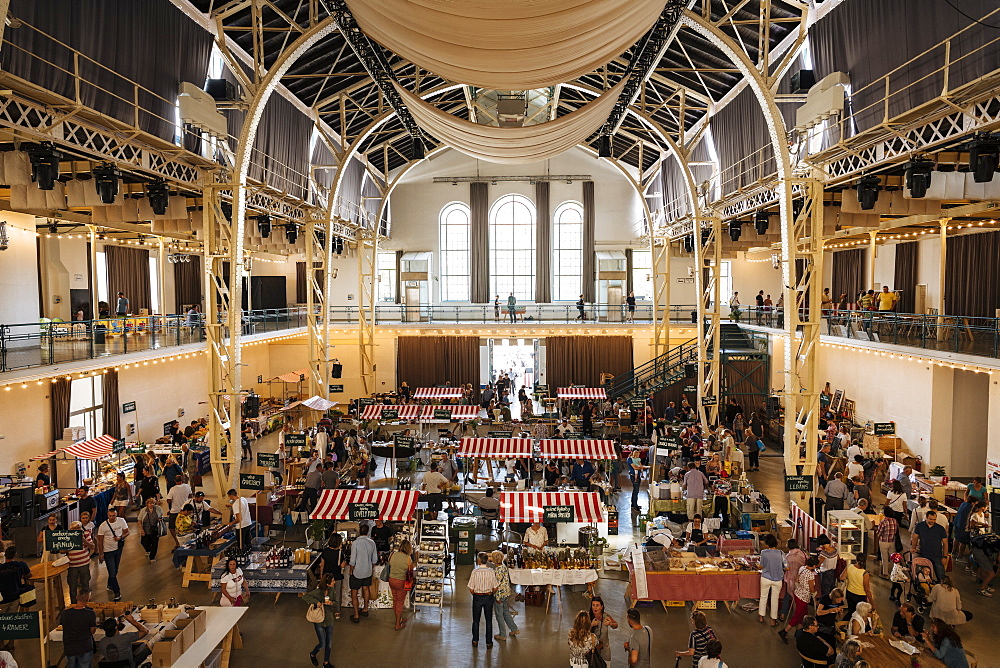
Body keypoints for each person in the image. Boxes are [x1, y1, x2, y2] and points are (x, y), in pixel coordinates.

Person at [778, 555, 819, 643]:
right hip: (804, 597)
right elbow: (812, 589)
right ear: (814, 566)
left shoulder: (802, 568)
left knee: (804, 615)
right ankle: (784, 631)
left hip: (797, 594)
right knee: (797, 616)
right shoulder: (810, 574)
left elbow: (797, 580)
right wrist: (815, 596)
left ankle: (799, 632)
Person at [302, 574, 336, 668]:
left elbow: (336, 603)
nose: (334, 582)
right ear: (328, 584)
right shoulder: (317, 592)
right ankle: (313, 654)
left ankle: (326, 662)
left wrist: (331, 603)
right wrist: (316, 603)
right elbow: (305, 597)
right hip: (319, 620)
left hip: (329, 620)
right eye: (333, 581)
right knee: (322, 644)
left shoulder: (332, 591)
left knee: (329, 644)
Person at [97, 506, 129, 601]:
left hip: (118, 549)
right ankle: (117, 592)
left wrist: (121, 537)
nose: (112, 518)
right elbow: (100, 540)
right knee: (112, 572)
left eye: (114, 516)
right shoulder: (103, 526)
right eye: (110, 516)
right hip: (108, 551)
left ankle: (110, 584)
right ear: (107, 515)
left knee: (115, 570)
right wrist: (101, 553)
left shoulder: (121, 521)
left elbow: (127, 532)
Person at [59, 588, 97, 668]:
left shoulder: (65, 613)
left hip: (69, 648)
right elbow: (92, 631)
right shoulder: (90, 613)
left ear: (76, 597)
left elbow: (63, 626)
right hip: (85, 647)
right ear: (88, 599)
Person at [468, 551, 499, 648]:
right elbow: (495, 587)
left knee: (476, 620)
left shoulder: (475, 572)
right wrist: (490, 593)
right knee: (489, 620)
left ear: (479, 561)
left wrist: (476, 593)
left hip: (477, 597)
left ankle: (475, 641)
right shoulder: (491, 571)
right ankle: (489, 642)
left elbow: (471, 588)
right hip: (489, 597)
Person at [349, 523, 378, 623]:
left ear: (359, 531)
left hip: (357, 571)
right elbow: (374, 560)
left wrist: (351, 570)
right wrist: (370, 567)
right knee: (366, 589)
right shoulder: (372, 543)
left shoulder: (355, 543)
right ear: (368, 531)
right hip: (368, 571)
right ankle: (365, 609)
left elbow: (352, 560)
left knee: (354, 592)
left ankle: (356, 615)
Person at [489, 551, 519, 642]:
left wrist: (496, 597)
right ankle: (514, 629)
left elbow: (496, 584)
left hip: (499, 595)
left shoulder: (496, 570)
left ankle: (502, 634)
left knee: (499, 615)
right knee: (506, 611)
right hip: (506, 593)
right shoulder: (503, 566)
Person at [913, 510, 950, 581]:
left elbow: (945, 543)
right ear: (926, 517)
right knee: (922, 575)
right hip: (923, 554)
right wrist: (913, 548)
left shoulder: (940, 529)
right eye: (930, 519)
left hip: (937, 555)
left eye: (934, 519)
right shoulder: (920, 526)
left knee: (941, 575)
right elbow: (915, 537)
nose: (933, 521)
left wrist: (945, 556)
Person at [386, 539, 413, 631]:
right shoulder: (408, 558)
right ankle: (397, 623)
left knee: (395, 599)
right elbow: (410, 571)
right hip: (401, 581)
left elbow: (389, 564)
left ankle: (399, 618)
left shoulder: (392, 554)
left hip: (391, 580)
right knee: (400, 602)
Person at [758, 534, 785, 625]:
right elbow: (787, 567)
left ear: (767, 544)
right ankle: (773, 620)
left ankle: (761, 616)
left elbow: (761, 566)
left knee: (763, 597)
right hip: (778, 580)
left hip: (766, 578)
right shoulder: (781, 553)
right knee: (775, 599)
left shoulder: (764, 552)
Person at [583, 594, 616, 665]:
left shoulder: (606, 616)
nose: (595, 608)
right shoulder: (588, 617)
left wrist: (611, 624)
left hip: (604, 649)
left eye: (597, 605)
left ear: (601, 607)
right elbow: (582, 632)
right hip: (591, 650)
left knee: (606, 664)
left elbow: (616, 625)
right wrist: (591, 625)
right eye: (593, 605)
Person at [165, 474, 192, 548]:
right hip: (185, 510)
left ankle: (177, 542)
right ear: (182, 480)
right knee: (185, 525)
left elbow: (168, 500)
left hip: (175, 510)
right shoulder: (187, 486)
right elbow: (190, 496)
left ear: (174, 481)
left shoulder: (173, 489)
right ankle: (187, 541)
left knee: (172, 527)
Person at [137, 496, 164, 563]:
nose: (151, 505)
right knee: (144, 542)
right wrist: (141, 530)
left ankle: (152, 556)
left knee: (155, 543)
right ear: (147, 504)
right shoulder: (143, 510)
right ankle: (148, 550)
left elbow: (161, 516)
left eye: (153, 503)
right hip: (146, 528)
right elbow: (139, 520)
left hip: (155, 529)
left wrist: (160, 519)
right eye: (150, 503)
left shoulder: (158, 509)